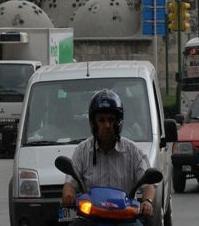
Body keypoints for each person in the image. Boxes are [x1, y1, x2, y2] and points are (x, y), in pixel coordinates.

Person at [61, 89, 154, 225]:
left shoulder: (133, 151)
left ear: (119, 122)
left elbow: (148, 185)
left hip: (124, 219)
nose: (107, 125)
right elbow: (70, 183)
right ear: (93, 123)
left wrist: (147, 201)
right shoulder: (82, 150)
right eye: (102, 120)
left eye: (111, 120)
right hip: (91, 219)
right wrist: (68, 195)